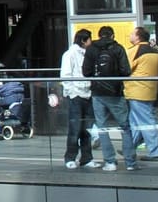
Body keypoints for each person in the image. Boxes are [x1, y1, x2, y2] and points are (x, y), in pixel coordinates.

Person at [123, 26, 158, 164]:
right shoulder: (154, 51)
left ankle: (155, 151)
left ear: (138, 37)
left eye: (132, 33)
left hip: (136, 90)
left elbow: (125, 68)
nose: (130, 35)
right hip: (149, 89)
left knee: (145, 122)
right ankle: (129, 148)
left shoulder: (135, 50)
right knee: (136, 121)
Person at [85, 25, 131, 170]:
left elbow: (86, 72)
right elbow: (126, 71)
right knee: (125, 126)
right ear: (112, 36)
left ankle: (110, 162)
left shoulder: (91, 49)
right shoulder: (118, 48)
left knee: (102, 127)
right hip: (116, 93)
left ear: (99, 36)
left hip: (97, 93)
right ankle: (130, 162)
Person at [56, 28, 94, 168]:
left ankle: (86, 158)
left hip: (87, 93)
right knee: (75, 128)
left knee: (87, 128)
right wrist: (71, 92)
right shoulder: (70, 54)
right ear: (84, 40)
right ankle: (70, 157)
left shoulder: (88, 54)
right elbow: (65, 75)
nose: (91, 42)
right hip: (76, 95)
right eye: (89, 39)